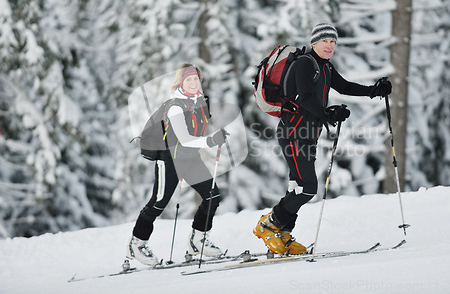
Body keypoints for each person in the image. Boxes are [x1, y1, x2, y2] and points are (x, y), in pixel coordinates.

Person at [253, 23, 392, 255]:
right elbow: (304, 97)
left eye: (333, 42)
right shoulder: (304, 64)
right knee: (308, 188)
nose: (329, 46)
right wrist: (328, 113)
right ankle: (269, 225)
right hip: (294, 133)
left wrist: (373, 90)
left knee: (299, 187)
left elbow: (344, 86)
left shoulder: (324, 67)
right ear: (314, 42)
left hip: (306, 134)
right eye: (325, 41)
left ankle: (283, 234)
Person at [127, 63, 229, 266]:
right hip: (169, 160)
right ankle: (137, 244)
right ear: (181, 82)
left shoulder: (198, 103)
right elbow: (184, 138)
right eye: (188, 79)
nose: (193, 82)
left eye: (196, 79)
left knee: (213, 197)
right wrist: (211, 140)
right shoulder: (175, 106)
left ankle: (198, 240)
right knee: (158, 203)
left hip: (190, 159)